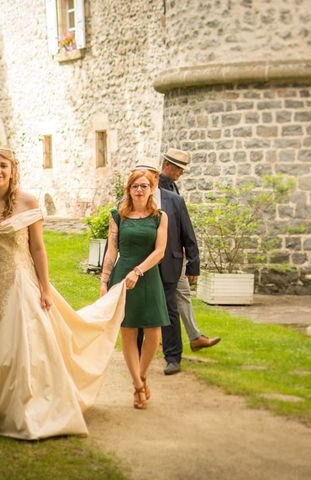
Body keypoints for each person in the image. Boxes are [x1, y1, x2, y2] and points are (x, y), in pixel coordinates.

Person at [0, 146, 126, 439]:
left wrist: (44, 288)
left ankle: (24, 408)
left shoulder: (28, 201)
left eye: (3, 165)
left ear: (12, 169)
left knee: (26, 347)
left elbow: (38, 249)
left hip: (22, 283)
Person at [101, 169, 169, 409]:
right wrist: (104, 281)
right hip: (122, 277)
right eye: (134, 186)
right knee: (128, 332)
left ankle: (142, 375)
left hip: (148, 277)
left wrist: (139, 271)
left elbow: (160, 251)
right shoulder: (118, 216)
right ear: (128, 190)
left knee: (153, 333)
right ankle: (138, 387)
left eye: (143, 186)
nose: (139, 190)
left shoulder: (160, 217)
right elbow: (112, 250)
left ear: (151, 190)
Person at [136, 159, 203, 375]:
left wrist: (193, 265)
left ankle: (173, 357)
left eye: (148, 177)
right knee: (137, 310)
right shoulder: (129, 200)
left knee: (169, 309)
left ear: (155, 178)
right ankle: (136, 356)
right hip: (139, 264)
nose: (142, 183)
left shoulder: (174, 201)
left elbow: (187, 233)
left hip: (169, 262)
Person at [159, 149, 220, 353]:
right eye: (178, 169)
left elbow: (183, 228)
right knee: (168, 299)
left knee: (182, 295)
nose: (181, 174)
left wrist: (192, 261)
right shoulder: (156, 189)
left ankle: (194, 337)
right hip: (162, 258)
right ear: (166, 165)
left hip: (175, 258)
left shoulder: (172, 188)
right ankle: (161, 338)